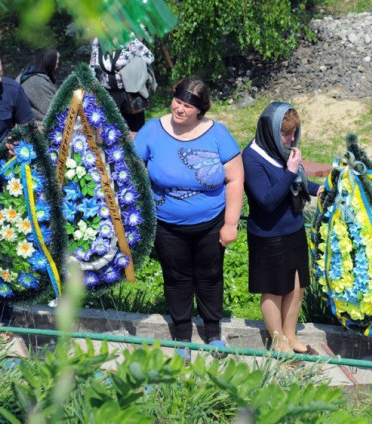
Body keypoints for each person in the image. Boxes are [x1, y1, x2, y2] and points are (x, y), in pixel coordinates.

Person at [134, 78, 243, 359]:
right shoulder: (152, 130)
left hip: (211, 223)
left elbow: (235, 179)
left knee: (210, 276)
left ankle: (213, 333)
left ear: (200, 110)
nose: (180, 109)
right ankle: (182, 337)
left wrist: (231, 224)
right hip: (167, 225)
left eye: (188, 106)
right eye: (177, 101)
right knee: (176, 277)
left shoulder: (218, 133)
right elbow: (131, 169)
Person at [242, 102, 321, 355]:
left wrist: (319, 189)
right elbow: (267, 201)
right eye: (285, 133)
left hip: (293, 229)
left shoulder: (281, 150)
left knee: (297, 288)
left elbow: (298, 181)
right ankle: (278, 342)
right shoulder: (252, 157)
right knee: (274, 290)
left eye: (294, 132)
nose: (291, 139)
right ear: (269, 130)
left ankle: (290, 336)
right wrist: (290, 171)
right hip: (268, 235)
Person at [0, 46, 33, 330]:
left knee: (2, 251)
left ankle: (1, 320)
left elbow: (28, 128)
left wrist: (18, 144)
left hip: (4, 187)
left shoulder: (12, 91)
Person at [90, 37, 154, 132]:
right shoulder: (98, 41)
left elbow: (149, 58)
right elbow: (92, 66)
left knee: (134, 132)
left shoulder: (128, 38)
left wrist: (129, 70)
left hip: (130, 94)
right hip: (107, 94)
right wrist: (90, 87)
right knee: (111, 133)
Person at [19, 48, 59, 125]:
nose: (57, 67)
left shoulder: (30, 73)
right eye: (56, 63)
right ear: (49, 62)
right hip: (38, 126)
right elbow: (52, 110)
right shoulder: (37, 81)